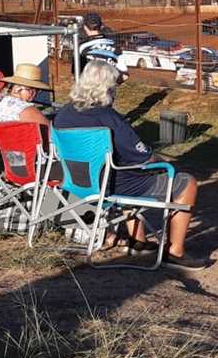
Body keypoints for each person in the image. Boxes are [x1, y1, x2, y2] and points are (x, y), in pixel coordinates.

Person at [53, 60, 205, 270]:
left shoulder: (63, 115)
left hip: (78, 184)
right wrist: (162, 162)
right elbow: (141, 156)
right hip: (111, 184)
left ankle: (138, 241)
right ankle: (175, 252)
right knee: (186, 183)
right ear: (108, 88)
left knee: (128, 173)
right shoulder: (108, 117)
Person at [75, 12, 129, 82]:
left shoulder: (82, 47)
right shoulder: (115, 47)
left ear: (85, 27)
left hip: (88, 89)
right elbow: (125, 75)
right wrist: (111, 84)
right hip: (108, 89)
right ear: (101, 26)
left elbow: (76, 73)